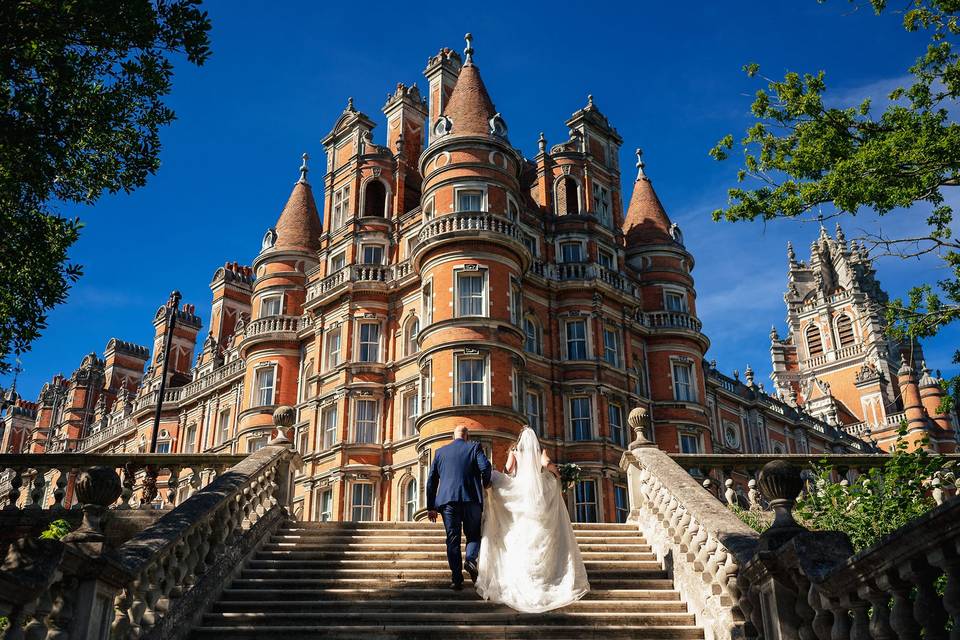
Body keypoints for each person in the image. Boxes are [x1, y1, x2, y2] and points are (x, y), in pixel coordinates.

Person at [475, 426, 590, 612]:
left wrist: (506, 477)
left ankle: (522, 574)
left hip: (519, 493)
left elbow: (508, 469)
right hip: (536, 494)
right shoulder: (539, 451)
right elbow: (547, 464)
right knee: (538, 532)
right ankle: (544, 578)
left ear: (519, 439)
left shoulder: (514, 450)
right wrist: (558, 475)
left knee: (518, 531)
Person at [425, 425, 492, 591]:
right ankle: (470, 559)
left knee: (452, 539)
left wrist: (431, 506)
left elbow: (431, 481)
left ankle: (456, 579)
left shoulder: (440, 452)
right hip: (471, 500)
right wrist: (486, 482)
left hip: (448, 502)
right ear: (467, 436)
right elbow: (486, 467)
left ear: (453, 437)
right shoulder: (474, 447)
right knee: (474, 535)